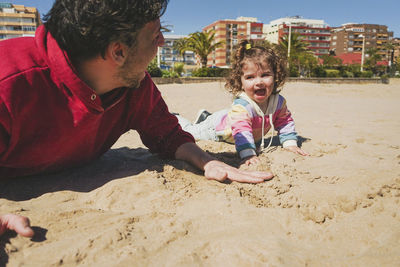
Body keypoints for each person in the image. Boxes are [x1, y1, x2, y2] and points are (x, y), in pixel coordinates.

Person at [0, 1, 273, 237]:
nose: (162, 42)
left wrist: (207, 161)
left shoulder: (133, 84)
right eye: (156, 35)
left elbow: (166, 134)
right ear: (118, 52)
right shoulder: (10, 84)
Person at [176, 40, 308, 166]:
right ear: (240, 82)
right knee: (188, 132)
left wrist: (290, 143)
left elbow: (285, 122)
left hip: (228, 116)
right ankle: (175, 117)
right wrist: (248, 153)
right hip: (216, 129)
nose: (259, 82)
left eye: (265, 75)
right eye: (250, 77)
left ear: (276, 75)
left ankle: (204, 116)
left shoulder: (278, 102)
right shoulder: (242, 106)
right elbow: (241, 130)